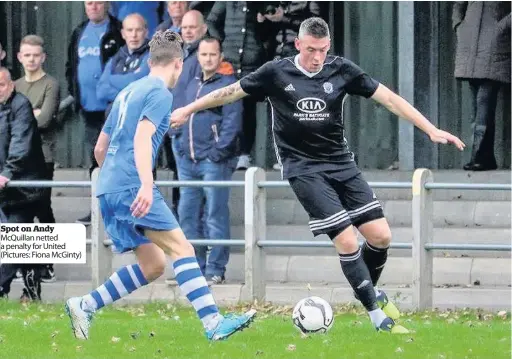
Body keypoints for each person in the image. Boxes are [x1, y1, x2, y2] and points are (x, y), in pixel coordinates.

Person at [171, 17, 466, 333]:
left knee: (381, 236)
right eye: (311, 49)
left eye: (323, 50)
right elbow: (230, 92)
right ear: (298, 45)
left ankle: (368, 290)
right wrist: (188, 110)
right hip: (303, 169)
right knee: (347, 239)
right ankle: (378, 317)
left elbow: (389, 99)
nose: (317, 57)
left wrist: (431, 129)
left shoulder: (341, 70)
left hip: (341, 164)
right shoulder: (275, 72)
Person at [64, 30, 256, 342]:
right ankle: (213, 323)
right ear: (179, 64)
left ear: (152, 59)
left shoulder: (128, 92)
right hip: (131, 185)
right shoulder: (160, 93)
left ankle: (83, 304)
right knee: (182, 248)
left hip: (108, 188)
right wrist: (144, 184)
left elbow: (100, 149)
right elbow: (141, 139)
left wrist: (116, 180)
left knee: (153, 265)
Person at [175, 37, 242, 284]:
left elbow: (232, 123)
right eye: (204, 55)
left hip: (213, 161)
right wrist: (180, 144)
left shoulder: (228, 85)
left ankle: (215, 270)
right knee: (188, 215)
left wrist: (216, 153)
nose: (208, 59)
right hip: (188, 162)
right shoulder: (190, 85)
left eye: (213, 54)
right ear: (198, 57)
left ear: (220, 55)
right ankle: (195, 268)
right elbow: (179, 115)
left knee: (215, 214)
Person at [66, 1, 124, 225]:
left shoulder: (118, 31)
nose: (93, 6)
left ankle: (121, 211)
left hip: (113, 109)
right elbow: (71, 65)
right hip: (89, 110)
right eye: (89, 3)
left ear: (107, 5)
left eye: (98, 2)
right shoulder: (80, 31)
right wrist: (75, 92)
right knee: (96, 161)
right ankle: (98, 210)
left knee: (118, 160)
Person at [15, 34, 61, 283]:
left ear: (43, 57)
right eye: (27, 55)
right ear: (20, 57)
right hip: (17, 158)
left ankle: (46, 263)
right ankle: (24, 265)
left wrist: (23, 118)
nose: (31, 60)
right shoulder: (14, 85)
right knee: (18, 210)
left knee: (42, 207)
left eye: (36, 55)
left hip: (42, 156)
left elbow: (44, 120)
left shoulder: (50, 84)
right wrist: (30, 114)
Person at [0, 67, 47, 302]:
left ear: (11, 85)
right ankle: (30, 292)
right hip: (4, 188)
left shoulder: (21, 106)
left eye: (0, 85)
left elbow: (21, 142)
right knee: (22, 241)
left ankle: (5, 288)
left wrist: (6, 173)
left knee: (17, 238)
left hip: (22, 186)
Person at [452, 1, 511, 171]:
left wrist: (502, 27)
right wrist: (460, 26)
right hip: (470, 46)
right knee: (477, 112)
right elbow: (458, 4)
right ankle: (486, 158)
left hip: (495, 47)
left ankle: (478, 157)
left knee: (482, 110)